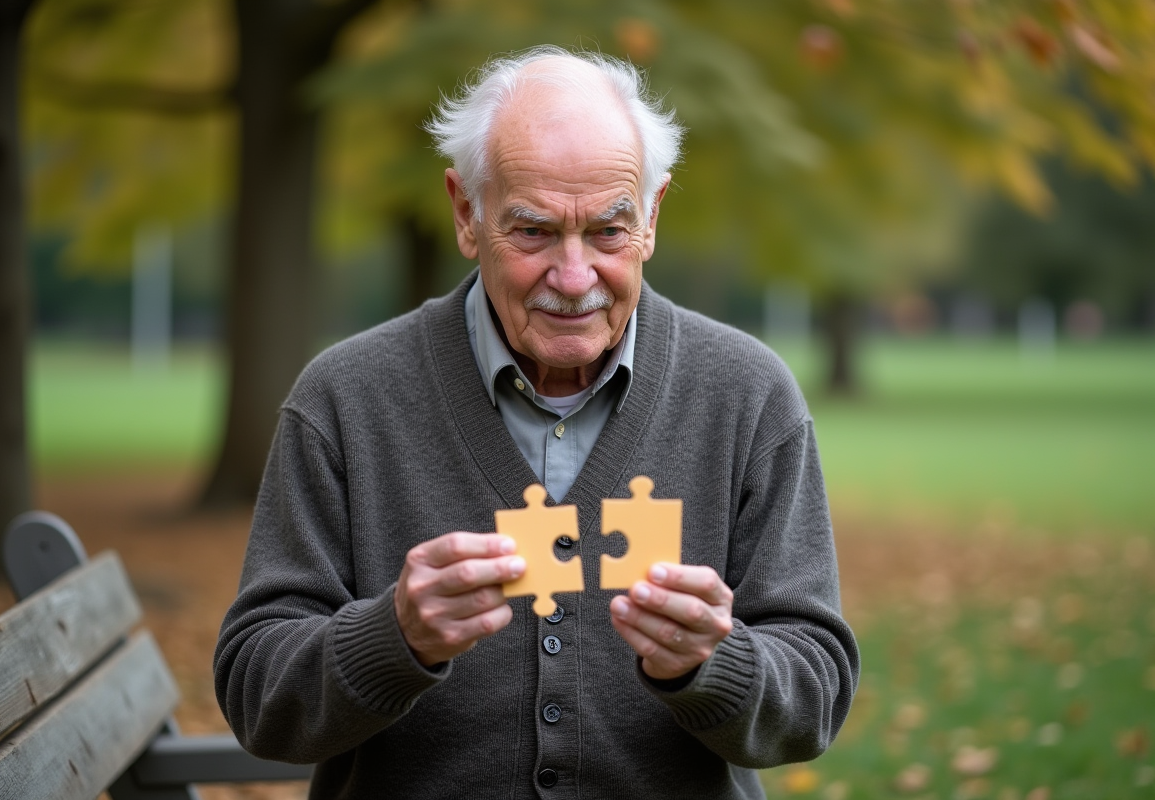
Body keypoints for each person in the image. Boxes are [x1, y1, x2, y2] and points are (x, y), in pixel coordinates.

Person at [214, 45, 858, 800]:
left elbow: (814, 696)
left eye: (609, 232)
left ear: (651, 216)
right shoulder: (344, 399)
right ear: (467, 212)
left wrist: (716, 664)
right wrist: (392, 639)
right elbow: (258, 700)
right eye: (533, 232)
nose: (575, 278)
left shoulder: (749, 396)